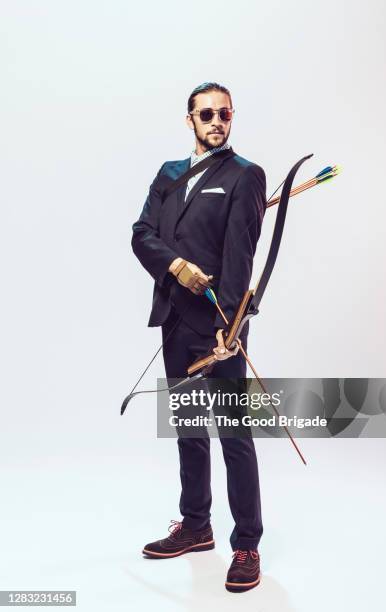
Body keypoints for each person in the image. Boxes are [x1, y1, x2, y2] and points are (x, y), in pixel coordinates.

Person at [131, 82, 266, 593]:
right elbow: (142, 233)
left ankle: (247, 543)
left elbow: (240, 258)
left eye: (225, 113)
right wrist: (177, 267)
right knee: (188, 428)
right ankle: (195, 525)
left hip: (218, 327)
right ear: (189, 119)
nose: (216, 121)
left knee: (234, 435)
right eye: (206, 113)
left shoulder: (245, 175)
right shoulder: (169, 175)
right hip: (174, 316)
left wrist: (228, 328)